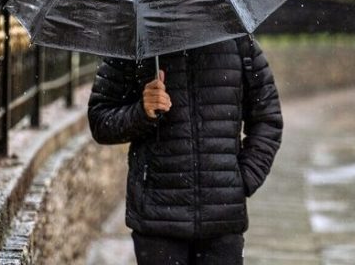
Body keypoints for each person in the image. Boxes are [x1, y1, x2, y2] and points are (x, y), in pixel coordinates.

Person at [88, 36, 283, 264]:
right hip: (157, 219)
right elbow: (100, 121)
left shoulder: (238, 41)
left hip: (222, 221)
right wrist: (143, 111)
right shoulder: (135, 44)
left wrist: (243, 179)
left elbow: (268, 119)